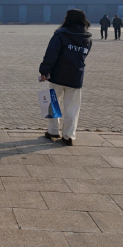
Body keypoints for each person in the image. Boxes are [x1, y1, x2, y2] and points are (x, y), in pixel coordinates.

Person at [39, 9, 93, 146]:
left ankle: (52, 131)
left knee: (51, 103)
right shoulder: (87, 38)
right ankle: (68, 136)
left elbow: (51, 53)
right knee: (72, 108)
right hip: (75, 77)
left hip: (57, 75)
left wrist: (44, 71)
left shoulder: (60, 34)